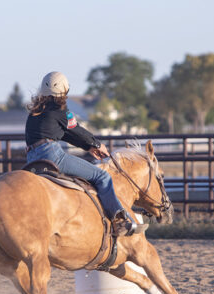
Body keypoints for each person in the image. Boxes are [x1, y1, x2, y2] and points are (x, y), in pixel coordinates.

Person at [25, 71, 138, 236]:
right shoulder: (61, 110)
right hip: (51, 154)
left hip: (32, 158)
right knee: (102, 177)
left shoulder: (35, 112)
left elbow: (64, 134)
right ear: (64, 90)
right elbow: (75, 129)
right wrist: (97, 144)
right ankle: (119, 220)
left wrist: (89, 147)